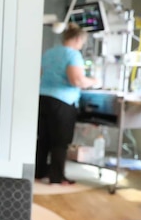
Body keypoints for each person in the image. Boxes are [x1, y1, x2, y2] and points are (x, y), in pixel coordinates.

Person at [36, 22, 100, 184]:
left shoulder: (49, 53)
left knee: (43, 139)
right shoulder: (73, 55)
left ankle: (39, 171)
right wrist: (93, 81)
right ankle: (57, 178)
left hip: (42, 99)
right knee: (60, 141)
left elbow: (41, 74)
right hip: (62, 102)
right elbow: (76, 80)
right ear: (78, 39)